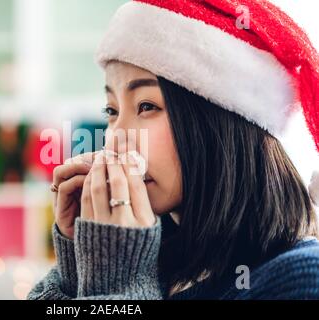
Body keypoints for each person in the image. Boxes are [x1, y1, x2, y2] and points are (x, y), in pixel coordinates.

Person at [28, 0, 319, 299]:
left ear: (217, 122)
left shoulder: (302, 278)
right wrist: (80, 267)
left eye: (146, 106)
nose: (114, 140)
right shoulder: (156, 261)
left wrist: (118, 286)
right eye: (111, 111)